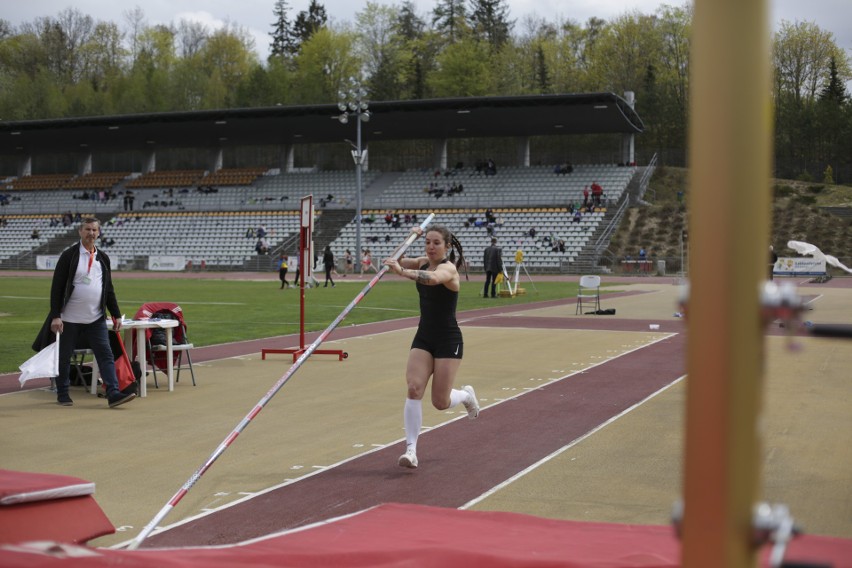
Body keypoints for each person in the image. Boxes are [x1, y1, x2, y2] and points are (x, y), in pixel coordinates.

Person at [382, 224, 480, 469]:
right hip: (424, 337)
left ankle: (466, 395)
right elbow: (396, 258)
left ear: (446, 246)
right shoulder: (423, 261)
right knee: (414, 388)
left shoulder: (448, 270)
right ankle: (411, 451)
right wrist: (409, 236)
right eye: (427, 242)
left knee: (440, 402)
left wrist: (402, 271)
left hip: (448, 340)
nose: (431, 247)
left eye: (436, 243)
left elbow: (432, 279)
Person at [36, 217, 136, 408]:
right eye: (88, 229)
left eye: (94, 230)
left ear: (99, 233)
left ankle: (113, 393)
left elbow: (109, 289)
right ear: (80, 232)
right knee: (64, 357)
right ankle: (63, 392)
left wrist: (115, 313)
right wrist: (56, 315)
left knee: (105, 355)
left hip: (95, 318)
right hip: (69, 319)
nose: (91, 233)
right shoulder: (69, 256)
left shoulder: (103, 258)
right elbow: (57, 287)